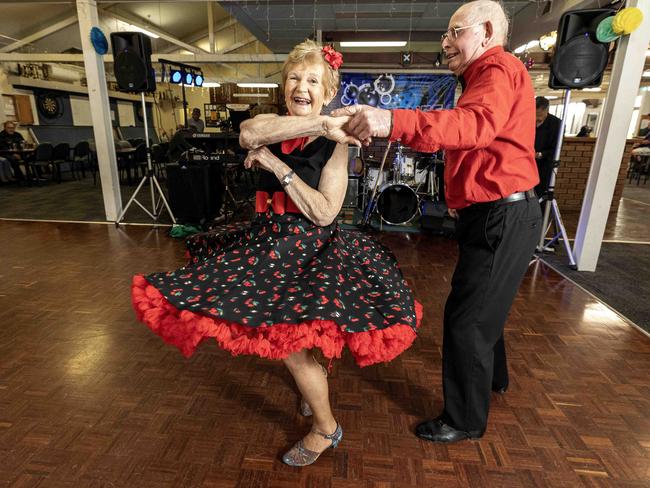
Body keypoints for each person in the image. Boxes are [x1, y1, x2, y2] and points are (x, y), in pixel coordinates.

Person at [132, 40, 422, 466]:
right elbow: (249, 134)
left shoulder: (336, 145)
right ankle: (315, 388)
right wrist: (316, 127)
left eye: (312, 81)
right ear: (283, 85)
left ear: (327, 94)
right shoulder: (268, 122)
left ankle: (326, 428)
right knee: (291, 337)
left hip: (308, 248)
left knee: (290, 343)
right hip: (265, 243)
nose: (301, 87)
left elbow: (324, 214)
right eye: (294, 78)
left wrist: (275, 165)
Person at [333, 0, 541, 443]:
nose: (445, 41)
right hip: (496, 211)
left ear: (485, 32)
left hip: (502, 214)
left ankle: (464, 420)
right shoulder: (483, 76)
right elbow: (479, 142)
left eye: (454, 31)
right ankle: (492, 380)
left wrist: (391, 119)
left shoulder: (496, 69)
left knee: (466, 320)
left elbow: (476, 127)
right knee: (485, 307)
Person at [534, 96, 562, 198]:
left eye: (539, 115)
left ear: (547, 110)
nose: (537, 118)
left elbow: (557, 148)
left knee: (541, 194)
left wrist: (540, 154)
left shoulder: (557, 124)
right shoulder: (526, 120)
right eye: (535, 114)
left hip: (544, 166)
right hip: (527, 164)